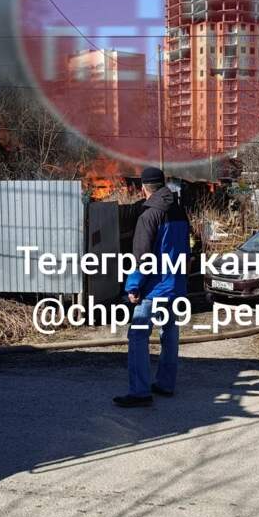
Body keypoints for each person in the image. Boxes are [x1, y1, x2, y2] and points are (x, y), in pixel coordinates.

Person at [113, 167, 190, 408]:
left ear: (143, 188)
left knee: (137, 335)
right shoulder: (179, 211)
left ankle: (140, 391)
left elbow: (142, 258)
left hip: (154, 289)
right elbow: (186, 251)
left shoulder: (149, 215)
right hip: (174, 285)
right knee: (170, 332)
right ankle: (166, 383)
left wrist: (133, 287)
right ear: (163, 184)